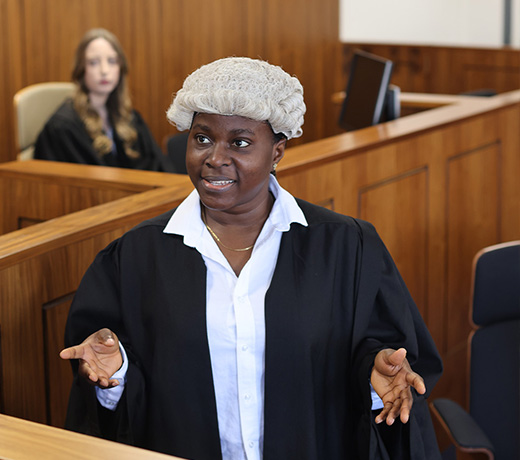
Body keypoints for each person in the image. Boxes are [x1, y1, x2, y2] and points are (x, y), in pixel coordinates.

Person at [60, 57, 443, 460]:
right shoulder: (138, 256)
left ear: (277, 151)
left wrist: (376, 371)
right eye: (202, 138)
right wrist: (114, 373)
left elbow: (385, 352)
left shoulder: (348, 247)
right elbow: (122, 388)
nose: (214, 158)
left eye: (239, 143)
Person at [34, 28, 170, 171]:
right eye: (93, 63)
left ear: (121, 68)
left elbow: (160, 166)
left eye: (112, 61)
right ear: (81, 69)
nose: (104, 70)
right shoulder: (62, 127)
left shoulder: (129, 118)